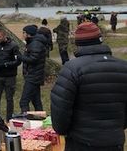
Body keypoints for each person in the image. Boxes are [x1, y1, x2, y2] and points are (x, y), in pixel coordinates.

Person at [51, 21, 127, 151]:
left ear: (78, 44)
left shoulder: (71, 68)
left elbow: (61, 107)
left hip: (81, 141)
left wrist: (62, 130)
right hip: (114, 140)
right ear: (100, 40)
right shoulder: (123, 67)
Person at [0, 28, 21, 120]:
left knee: (9, 99)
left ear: (4, 36)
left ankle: (9, 118)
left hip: (10, 76)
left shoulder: (13, 46)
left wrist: (7, 64)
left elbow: (18, 61)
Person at [17, 25, 47, 113]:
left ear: (29, 34)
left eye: (24, 32)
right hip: (33, 75)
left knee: (23, 102)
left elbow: (33, 59)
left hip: (33, 76)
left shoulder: (35, 43)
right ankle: (41, 120)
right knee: (36, 101)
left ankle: (26, 121)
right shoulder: (32, 42)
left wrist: (20, 57)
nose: (23, 34)